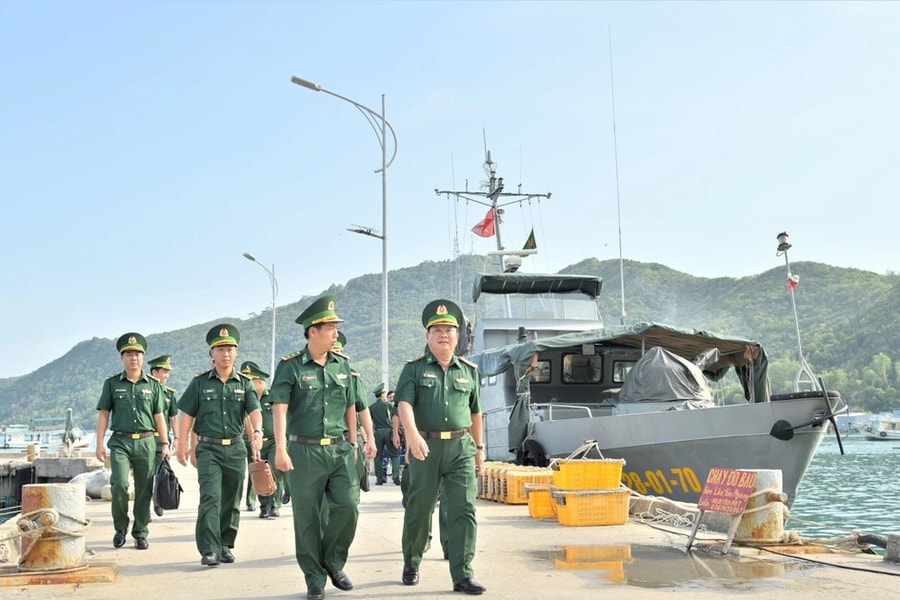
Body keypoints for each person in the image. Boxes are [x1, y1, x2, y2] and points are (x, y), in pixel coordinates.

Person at [271, 295, 359, 600]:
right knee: (306, 517)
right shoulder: (291, 368)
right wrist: (280, 449)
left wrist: (356, 442)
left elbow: (350, 406)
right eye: (331, 328)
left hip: (338, 450)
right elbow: (279, 409)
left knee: (348, 504)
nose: (336, 333)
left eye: (336, 328)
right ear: (313, 331)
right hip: (303, 452)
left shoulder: (344, 365)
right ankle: (314, 578)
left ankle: (333, 562)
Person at [397, 299, 486, 595]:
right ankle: (412, 561)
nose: (444, 334)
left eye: (449, 329)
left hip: (461, 447)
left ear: (458, 336)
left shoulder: (469, 371)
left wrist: (480, 448)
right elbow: (404, 404)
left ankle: (462, 574)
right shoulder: (414, 369)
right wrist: (412, 434)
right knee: (420, 509)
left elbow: (475, 412)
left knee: (464, 510)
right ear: (428, 336)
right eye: (437, 330)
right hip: (427, 447)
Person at [176, 324, 263, 567]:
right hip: (208, 449)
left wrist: (257, 431)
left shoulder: (245, 383)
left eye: (230, 349)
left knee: (231, 500)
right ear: (211, 353)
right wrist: (182, 445)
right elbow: (187, 416)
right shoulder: (200, 383)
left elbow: (254, 410)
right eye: (221, 349)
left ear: (236, 352)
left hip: (236, 448)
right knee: (210, 498)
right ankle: (209, 549)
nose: (226, 354)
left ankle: (226, 544)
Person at [95, 332, 170, 550]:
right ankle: (120, 528)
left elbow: (159, 416)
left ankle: (140, 532)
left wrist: (165, 444)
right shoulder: (111, 384)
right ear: (122, 358)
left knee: (144, 489)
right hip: (120, 442)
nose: (133, 357)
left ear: (143, 357)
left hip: (147, 442)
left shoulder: (154, 385)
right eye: (128, 354)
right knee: (119, 484)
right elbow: (103, 414)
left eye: (137, 353)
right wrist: (99, 443)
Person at [240, 360, 284, 519]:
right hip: (256, 441)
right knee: (258, 473)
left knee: (275, 472)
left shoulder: (272, 396)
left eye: (250, 381)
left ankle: (275, 504)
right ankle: (264, 506)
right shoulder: (247, 398)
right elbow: (246, 420)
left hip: (273, 440)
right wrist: (253, 440)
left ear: (259, 381)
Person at [147, 354, 179, 518]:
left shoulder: (169, 394)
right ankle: (144, 509)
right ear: (154, 372)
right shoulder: (145, 390)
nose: (167, 375)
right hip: (146, 438)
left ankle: (158, 501)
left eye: (168, 372)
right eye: (164, 371)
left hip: (162, 440)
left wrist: (177, 438)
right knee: (145, 475)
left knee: (162, 473)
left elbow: (174, 417)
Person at [371, 383, 399, 485]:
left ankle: (380, 478)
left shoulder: (372, 407)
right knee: (394, 455)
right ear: (383, 394)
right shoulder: (389, 405)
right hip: (389, 431)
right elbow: (396, 416)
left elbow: (371, 422)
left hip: (378, 432)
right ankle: (395, 475)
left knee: (378, 456)